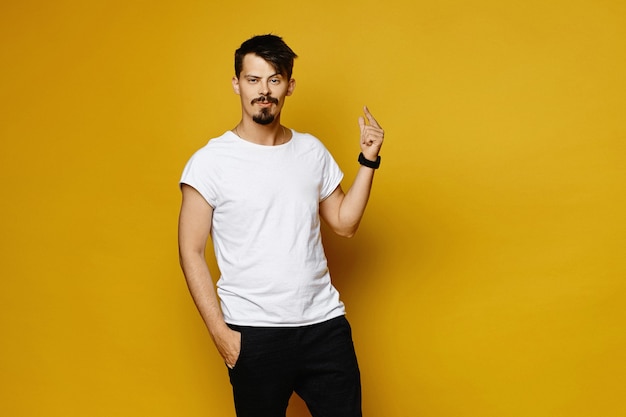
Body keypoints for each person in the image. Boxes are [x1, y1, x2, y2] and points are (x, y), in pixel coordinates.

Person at [178, 34, 384, 417]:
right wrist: (222, 336)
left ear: (289, 85)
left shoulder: (311, 151)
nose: (264, 91)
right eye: (253, 80)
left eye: (274, 79)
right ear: (237, 84)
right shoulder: (210, 163)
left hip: (324, 326)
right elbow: (190, 252)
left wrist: (367, 161)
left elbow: (344, 224)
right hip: (253, 333)